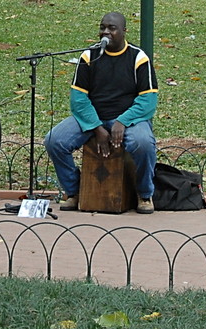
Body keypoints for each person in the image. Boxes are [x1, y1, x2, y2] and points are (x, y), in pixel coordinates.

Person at [44, 12, 159, 214]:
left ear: (124, 31)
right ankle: (74, 191)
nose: (106, 32)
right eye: (102, 27)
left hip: (128, 119)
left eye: (112, 28)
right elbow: (78, 99)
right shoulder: (89, 56)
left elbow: (148, 101)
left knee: (142, 143)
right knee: (55, 140)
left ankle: (144, 193)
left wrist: (122, 121)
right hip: (92, 118)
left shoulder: (138, 57)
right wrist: (97, 127)